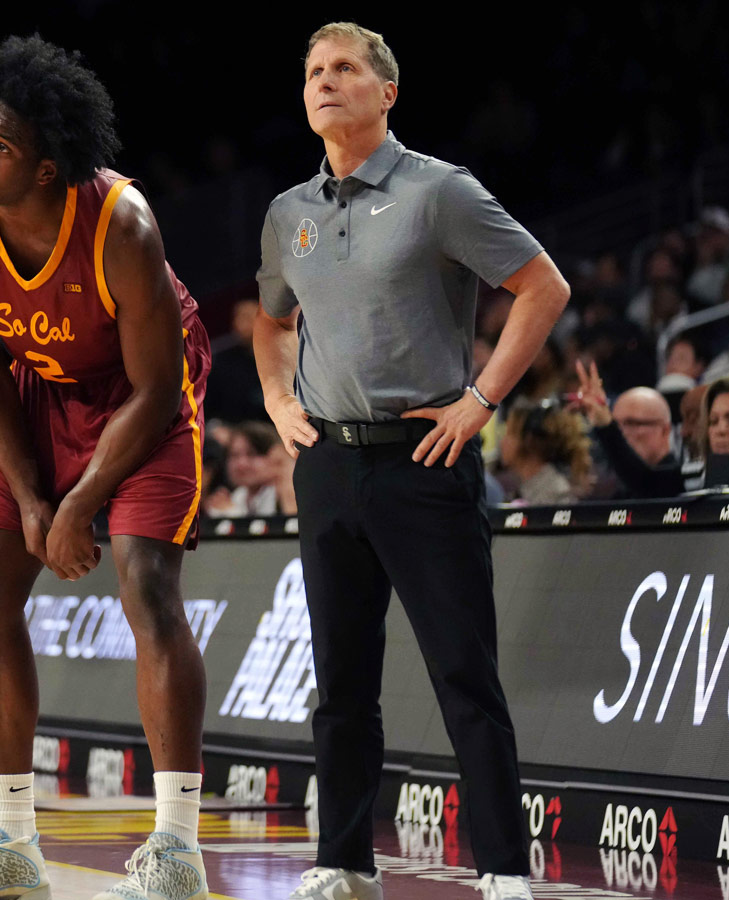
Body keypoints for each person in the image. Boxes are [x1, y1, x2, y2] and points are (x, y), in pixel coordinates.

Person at [255, 23, 568, 900]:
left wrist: (482, 399)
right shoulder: (290, 211)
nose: (325, 81)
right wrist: (280, 403)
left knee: (464, 676)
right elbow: (270, 320)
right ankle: (344, 861)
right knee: (340, 682)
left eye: (345, 68)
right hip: (327, 464)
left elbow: (543, 286)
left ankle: (504, 868)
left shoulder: (440, 191)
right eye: (313, 69)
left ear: (386, 92)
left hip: (424, 460)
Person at [0, 35, 211, 900]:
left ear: (46, 171)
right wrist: (35, 497)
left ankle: (178, 852)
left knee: (146, 580)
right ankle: (12, 846)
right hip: (37, 387)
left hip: (138, 392)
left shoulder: (122, 225)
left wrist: (80, 504)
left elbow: (157, 389)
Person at [572, 366, 687, 499]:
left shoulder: (679, 481)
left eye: (633, 423)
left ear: (665, 430)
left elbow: (647, 481)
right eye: (617, 425)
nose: (623, 433)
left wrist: (606, 425)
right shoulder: (619, 492)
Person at [498, 400, 588, 505]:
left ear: (529, 440)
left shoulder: (556, 495)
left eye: (509, 433)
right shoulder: (525, 489)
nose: (502, 441)